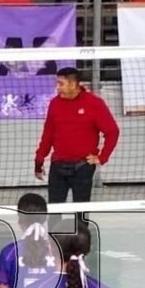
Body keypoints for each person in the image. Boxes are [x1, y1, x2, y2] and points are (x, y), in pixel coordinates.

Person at [34, 68, 119, 205]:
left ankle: (81, 227)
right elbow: (48, 134)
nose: (57, 87)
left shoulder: (94, 103)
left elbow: (112, 132)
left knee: (81, 211)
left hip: (82, 167)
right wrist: (39, 160)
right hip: (58, 166)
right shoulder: (55, 104)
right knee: (55, 210)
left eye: (61, 84)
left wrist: (102, 157)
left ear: (73, 84)